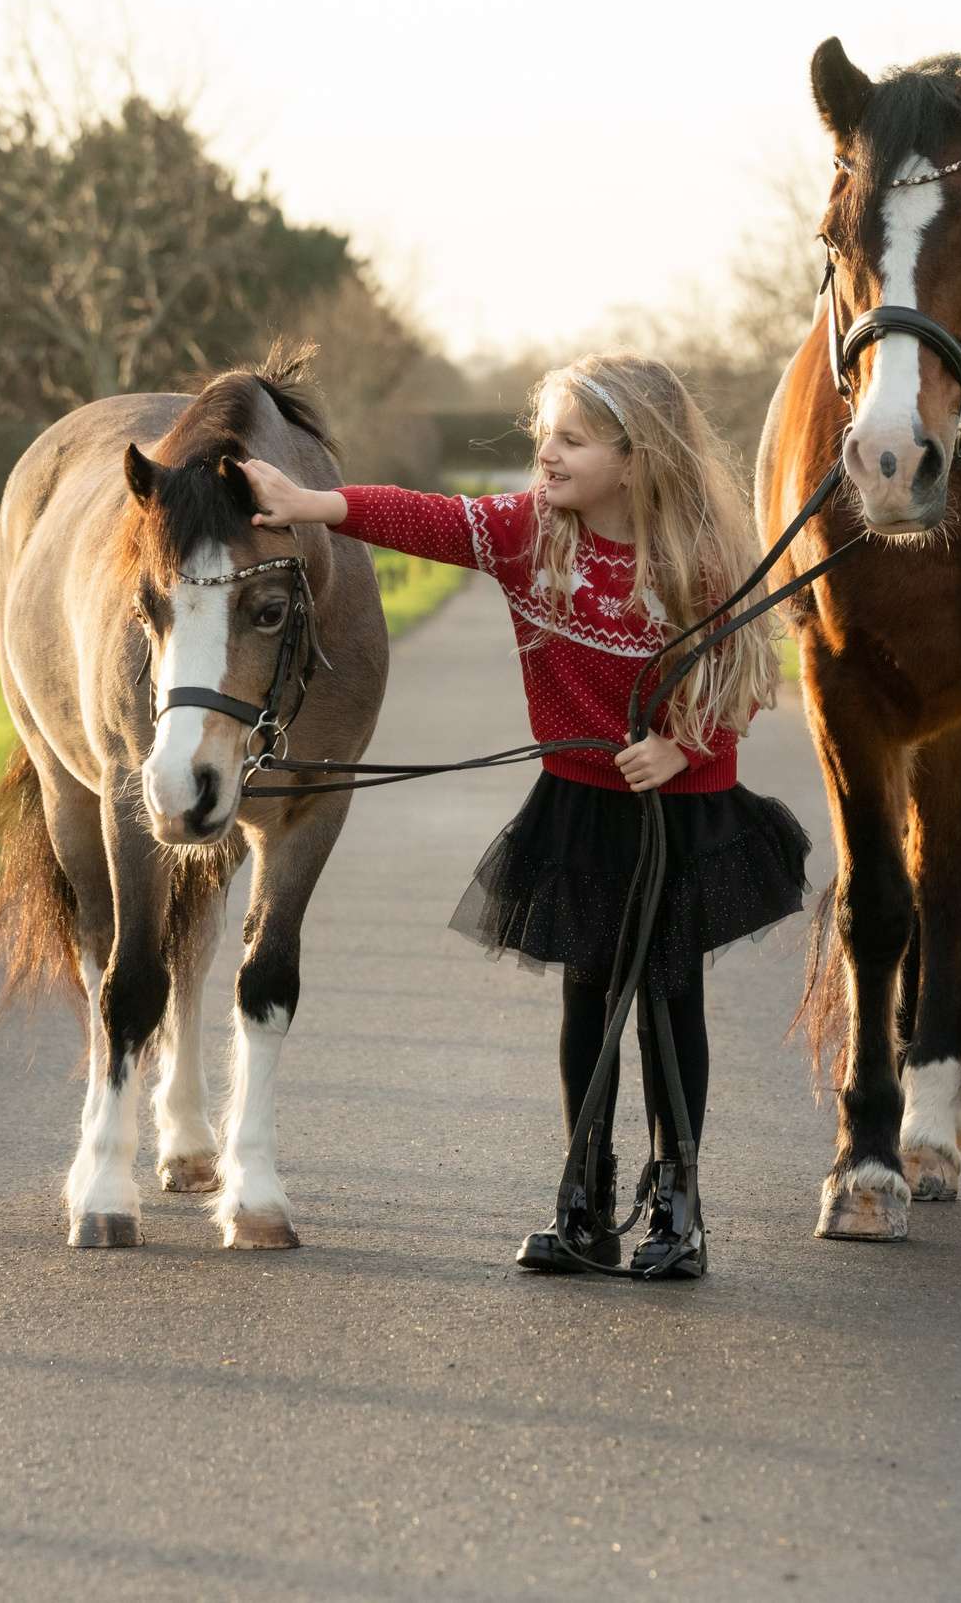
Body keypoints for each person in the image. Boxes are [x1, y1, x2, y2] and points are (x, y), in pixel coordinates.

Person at [241, 352, 809, 1280]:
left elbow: (747, 673)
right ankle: (585, 1202)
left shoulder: (697, 556)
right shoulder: (529, 535)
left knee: (670, 999)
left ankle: (680, 1208)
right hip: (580, 810)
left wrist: (682, 745)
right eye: (544, 435)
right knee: (587, 995)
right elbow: (418, 517)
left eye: (572, 441)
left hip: (683, 814)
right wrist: (307, 504)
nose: (545, 455)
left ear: (636, 457)